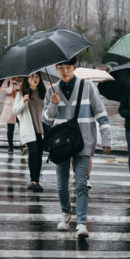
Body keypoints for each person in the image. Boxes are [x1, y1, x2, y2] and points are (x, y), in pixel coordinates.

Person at [43, 57, 112, 239]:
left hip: (84, 141)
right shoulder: (51, 90)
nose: (65, 71)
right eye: (61, 67)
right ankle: (66, 213)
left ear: (74, 67)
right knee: (61, 184)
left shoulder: (88, 87)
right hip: (61, 145)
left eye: (68, 67)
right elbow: (46, 121)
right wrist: (53, 103)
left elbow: (100, 113)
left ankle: (81, 222)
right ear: (56, 68)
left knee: (81, 183)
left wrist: (106, 138)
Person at [14, 72, 46, 192]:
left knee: (39, 155)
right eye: (32, 77)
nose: (35, 79)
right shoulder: (22, 94)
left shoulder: (44, 93)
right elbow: (15, 111)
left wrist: (54, 102)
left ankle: (37, 181)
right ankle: (33, 180)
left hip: (41, 128)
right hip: (29, 128)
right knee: (33, 152)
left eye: (37, 77)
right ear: (27, 79)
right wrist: (23, 101)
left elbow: (49, 110)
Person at [0, 77, 24, 153]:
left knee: (22, 128)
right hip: (10, 107)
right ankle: (10, 146)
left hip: (21, 106)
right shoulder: (8, 80)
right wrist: (10, 90)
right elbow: (2, 90)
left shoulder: (24, 80)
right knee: (10, 129)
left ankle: (22, 146)